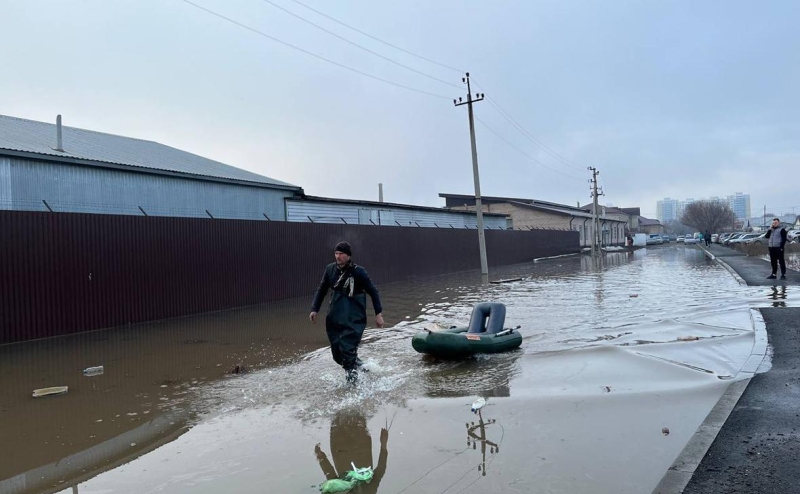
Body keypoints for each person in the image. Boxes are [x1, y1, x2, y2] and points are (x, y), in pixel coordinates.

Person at [310, 241, 384, 382]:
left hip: (353, 318)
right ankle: (363, 367)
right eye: (336, 253)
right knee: (337, 355)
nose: (338, 256)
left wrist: (378, 314)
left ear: (348, 256)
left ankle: (353, 389)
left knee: (348, 351)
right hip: (334, 317)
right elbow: (322, 290)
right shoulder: (330, 269)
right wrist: (314, 309)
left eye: (341, 254)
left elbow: (373, 291)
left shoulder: (359, 272)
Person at [315, 408, 388, 493]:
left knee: (337, 413)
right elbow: (380, 469)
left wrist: (321, 459)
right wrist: (383, 445)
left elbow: (331, 479)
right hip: (360, 445)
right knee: (358, 411)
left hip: (340, 449)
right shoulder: (370, 491)